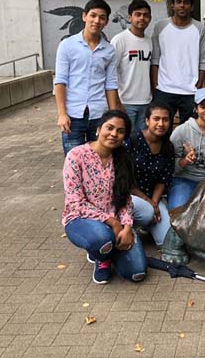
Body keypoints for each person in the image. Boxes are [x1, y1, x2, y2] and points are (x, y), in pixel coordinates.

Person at [62, 110, 147, 285]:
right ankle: (102, 256)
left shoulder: (122, 159)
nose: (114, 134)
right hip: (81, 218)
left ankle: (110, 248)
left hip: (115, 220)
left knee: (137, 272)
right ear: (98, 129)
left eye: (120, 131)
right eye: (110, 128)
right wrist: (113, 222)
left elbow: (125, 199)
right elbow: (75, 202)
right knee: (101, 239)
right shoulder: (76, 156)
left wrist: (127, 227)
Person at [54, 0, 122, 155]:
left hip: (99, 114)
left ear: (106, 22)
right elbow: (60, 82)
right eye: (93, 15)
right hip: (73, 116)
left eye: (102, 17)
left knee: (100, 161)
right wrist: (62, 114)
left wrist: (112, 116)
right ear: (84, 16)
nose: (97, 20)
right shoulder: (67, 45)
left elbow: (110, 84)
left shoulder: (109, 50)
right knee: (74, 162)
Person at [151, 0, 205, 124]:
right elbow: (155, 59)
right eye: (178, 2)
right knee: (161, 130)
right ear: (172, 5)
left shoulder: (199, 28)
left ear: (192, 6)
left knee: (189, 131)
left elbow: (203, 59)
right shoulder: (160, 26)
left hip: (190, 91)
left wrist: (198, 86)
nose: (182, 5)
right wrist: (155, 85)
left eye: (186, 2)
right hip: (164, 89)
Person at [126, 102, 174, 247]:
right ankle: (131, 226)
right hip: (130, 196)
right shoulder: (132, 141)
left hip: (153, 197)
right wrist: (150, 204)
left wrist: (154, 202)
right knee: (147, 212)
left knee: (166, 240)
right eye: (156, 119)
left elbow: (163, 179)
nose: (161, 123)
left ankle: (146, 225)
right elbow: (125, 180)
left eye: (165, 119)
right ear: (147, 121)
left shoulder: (168, 146)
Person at [111, 0, 153, 132]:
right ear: (129, 17)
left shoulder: (150, 41)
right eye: (138, 14)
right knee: (126, 142)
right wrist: (116, 102)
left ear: (150, 18)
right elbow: (110, 73)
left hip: (146, 102)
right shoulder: (119, 40)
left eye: (145, 15)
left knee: (142, 142)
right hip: (126, 102)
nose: (142, 18)